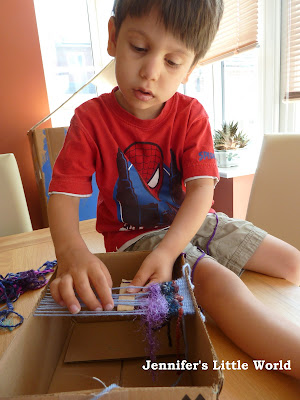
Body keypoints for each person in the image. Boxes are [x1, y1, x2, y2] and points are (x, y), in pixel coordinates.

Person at [48, 0, 300, 379]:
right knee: (219, 287)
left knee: (291, 262)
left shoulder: (191, 113)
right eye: (139, 48)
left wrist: (173, 246)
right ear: (114, 37)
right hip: (138, 240)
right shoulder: (89, 119)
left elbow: (202, 190)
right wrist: (71, 252)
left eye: (172, 61)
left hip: (194, 221)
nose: (150, 72)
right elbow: (63, 193)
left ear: (191, 67)